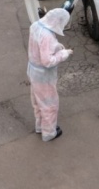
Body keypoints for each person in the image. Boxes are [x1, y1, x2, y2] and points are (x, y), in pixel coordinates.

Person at [27, 8, 74, 142]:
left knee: (37, 101)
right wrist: (63, 54)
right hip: (44, 75)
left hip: (33, 70)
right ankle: (49, 133)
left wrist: (56, 47)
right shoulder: (47, 36)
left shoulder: (35, 26)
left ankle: (40, 127)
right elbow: (48, 61)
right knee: (49, 104)